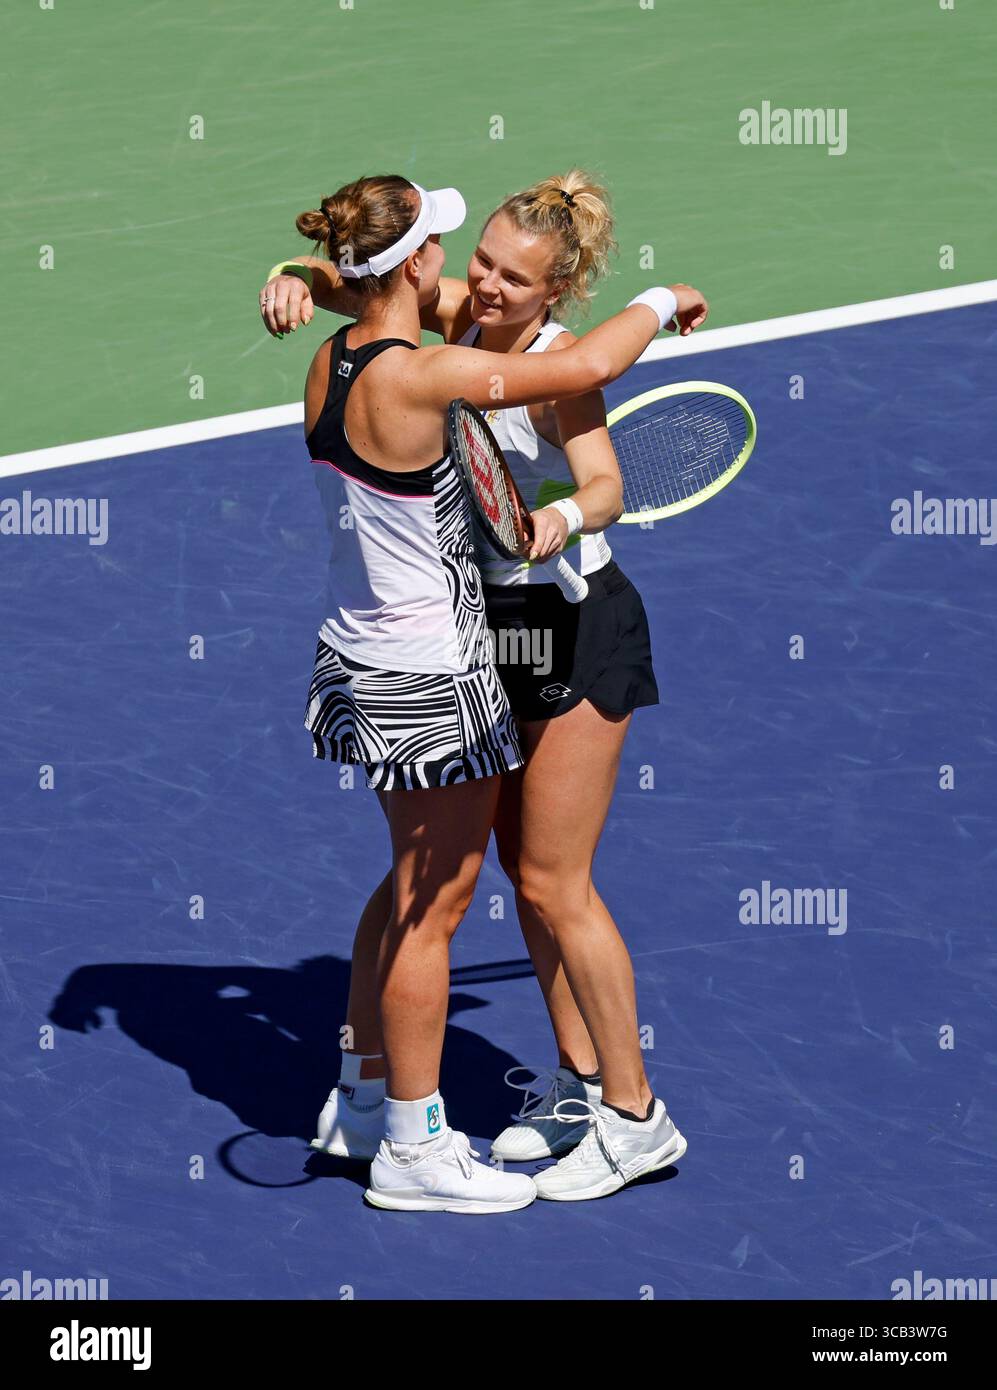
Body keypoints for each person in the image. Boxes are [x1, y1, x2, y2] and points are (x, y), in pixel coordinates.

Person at [265, 172, 687, 1211]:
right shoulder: (447, 324)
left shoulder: (552, 368)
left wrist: (565, 520)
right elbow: (357, 288)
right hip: (471, 640)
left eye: (513, 277)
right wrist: (285, 272)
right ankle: (551, 1085)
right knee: (442, 876)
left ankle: (624, 1110)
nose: (485, 287)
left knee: (544, 881)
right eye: (477, 264)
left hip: (572, 633)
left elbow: (606, 485)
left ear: (557, 289)